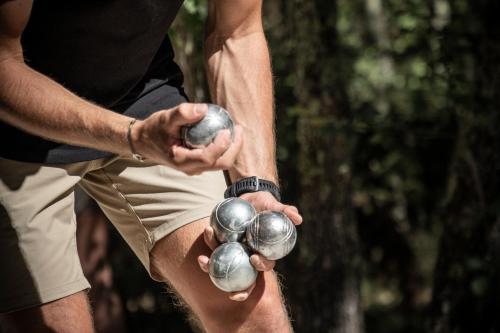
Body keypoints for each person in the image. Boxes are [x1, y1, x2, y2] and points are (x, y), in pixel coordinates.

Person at [0, 0, 303, 332]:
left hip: (143, 101)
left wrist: (253, 186)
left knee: (255, 311)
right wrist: (133, 136)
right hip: (16, 133)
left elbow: (236, 33)